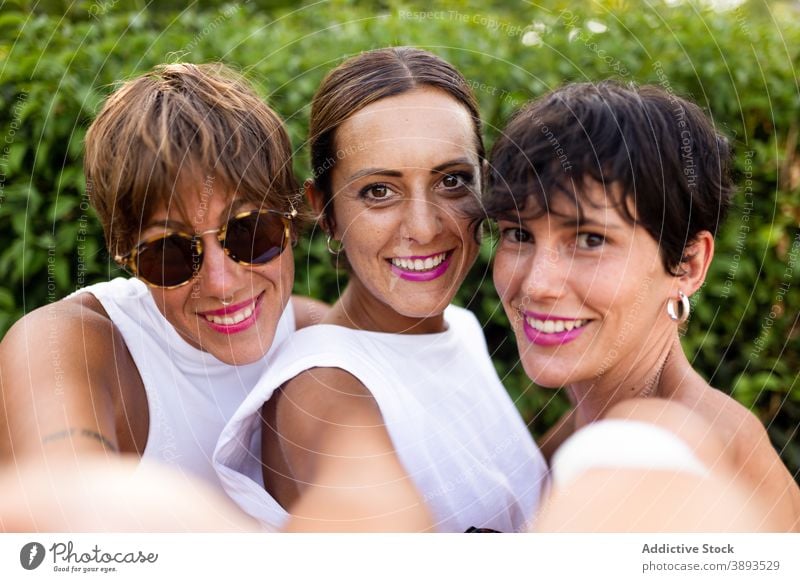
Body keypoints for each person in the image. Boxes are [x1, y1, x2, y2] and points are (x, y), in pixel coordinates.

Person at [214, 47, 549, 532]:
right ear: (325, 209)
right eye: (378, 191)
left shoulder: (461, 327)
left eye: (452, 181)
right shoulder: (325, 388)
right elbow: (368, 515)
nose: (425, 227)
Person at [482, 81, 800, 530]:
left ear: (688, 264)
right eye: (518, 234)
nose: (537, 284)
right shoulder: (583, 426)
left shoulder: (662, 450)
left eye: (590, 240)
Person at [0, 63, 325, 494]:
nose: (221, 282)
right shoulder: (65, 346)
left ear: (293, 218)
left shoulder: (317, 336)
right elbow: (63, 508)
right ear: (125, 257)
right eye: (169, 252)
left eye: (249, 231)